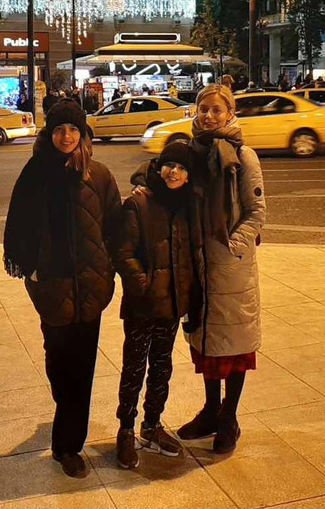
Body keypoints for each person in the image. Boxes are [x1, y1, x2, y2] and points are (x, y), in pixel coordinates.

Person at [3, 101, 123, 479]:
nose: (66, 137)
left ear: (83, 135)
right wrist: (32, 269)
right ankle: (64, 410)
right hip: (52, 284)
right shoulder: (35, 173)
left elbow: (116, 227)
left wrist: (110, 267)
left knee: (82, 368)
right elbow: (18, 224)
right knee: (59, 361)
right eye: (59, 130)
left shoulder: (99, 175)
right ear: (48, 135)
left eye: (73, 130)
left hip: (90, 285)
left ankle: (68, 445)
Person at [177, 84, 266, 455]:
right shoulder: (190, 154)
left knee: (234, 345)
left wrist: (232, 245)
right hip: (198, 262)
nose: (209, 116)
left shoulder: (244, 157)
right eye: (203, 109)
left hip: (231, 267)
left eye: (217, 110)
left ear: (231, 114)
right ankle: (211, 409)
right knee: (208, 343)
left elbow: (257, 212)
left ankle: (229, 418)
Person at [112, 141, 197, 470]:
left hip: (173, 303)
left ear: (188, 176)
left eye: (181, 168)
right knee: (134, 367)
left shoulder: (188, 206)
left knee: (162, 366)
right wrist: (142, 285)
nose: (173, 172)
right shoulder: (139, 203)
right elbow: (122, 252)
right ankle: (125, 429)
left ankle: (152, 425)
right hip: (143, 304)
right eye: (169, 165)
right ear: (159, 168)